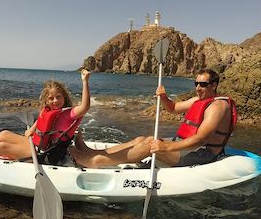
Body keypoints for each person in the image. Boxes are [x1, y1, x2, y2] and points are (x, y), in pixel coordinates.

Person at [69, 68, 236, 168]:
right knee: (145, 138)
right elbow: (173, 108)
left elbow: (200, 139)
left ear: (214, 85)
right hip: (186, 146)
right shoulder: (199, 101)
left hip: (202, 154)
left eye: (203, 85)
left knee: (150, 145)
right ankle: (93, 153)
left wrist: (166, 147)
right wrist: (164, 97)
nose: (198, 88)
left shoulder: (218, 107)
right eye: (196, 84)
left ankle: (96, 161)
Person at [0, 70, 91, 164]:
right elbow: (42, 121)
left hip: (46, 154)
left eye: (58, 97)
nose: (55, 101)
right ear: (46, 101)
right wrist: (32, 130)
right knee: (5, 134)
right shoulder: (48, 110)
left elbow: (85, 107)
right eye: (51, 98)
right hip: (38, 146)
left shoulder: (69, 113)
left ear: (64, 97)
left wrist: (85, 81)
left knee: (3, 146)